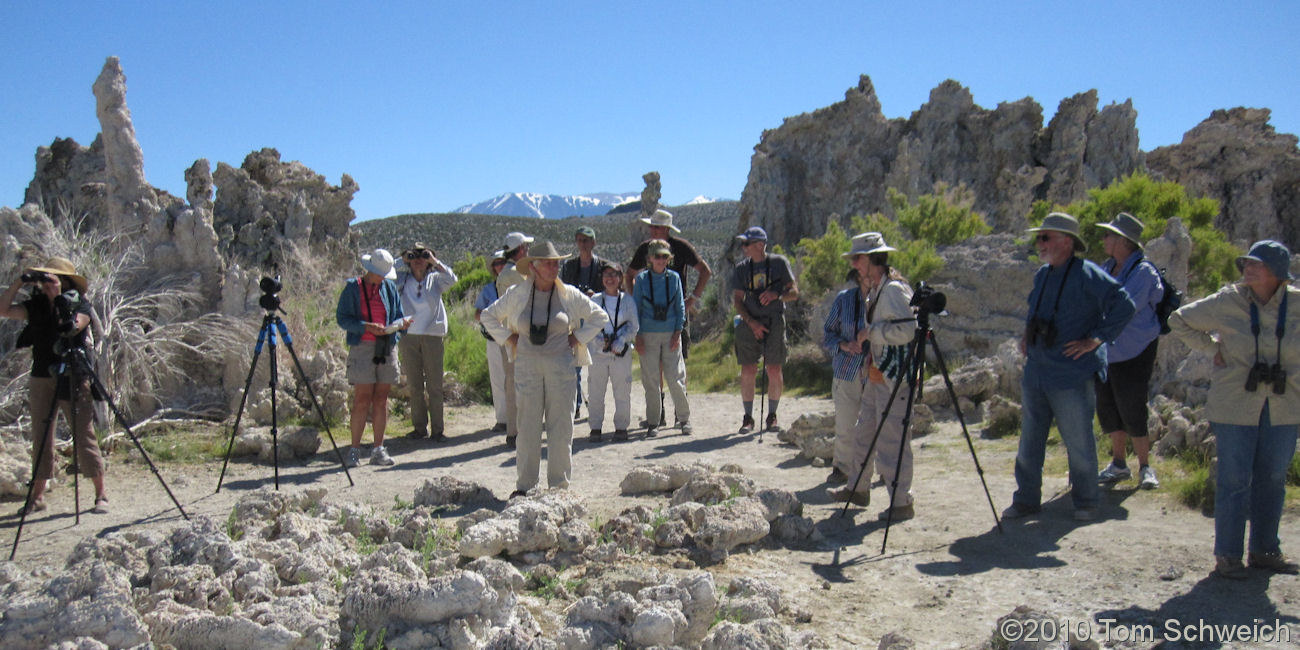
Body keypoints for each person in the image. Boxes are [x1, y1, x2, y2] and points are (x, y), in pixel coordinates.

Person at [1169, 239, 1300, 578]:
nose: (1247, 269)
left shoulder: (1297, 304)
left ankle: (1265, 551)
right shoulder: (1228, 300)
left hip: (1285, 406)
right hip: (1235, 406)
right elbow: (1178, 320)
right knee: (1234, 479)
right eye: (1247, 263)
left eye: (1257, 264)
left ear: (1277, 273)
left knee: (1272, 478)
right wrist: (1211, 347)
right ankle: (1228, 557)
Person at [1003, 212, 1135, 522]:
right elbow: (1034, 312)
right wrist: (1026, 337)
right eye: (1039, 238)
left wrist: (1097, 339)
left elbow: (1124, 305)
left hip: (1071, 374)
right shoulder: (1042, 274)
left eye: (1045, 237)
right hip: (1037, 370)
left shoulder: (1088, 274)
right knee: (1029, 441)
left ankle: (1087, 501)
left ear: (1067, 241)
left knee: (1078, 440)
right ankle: (1025, 500)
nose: (1040, 243)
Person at [481, 241, 608, 496]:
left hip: (561, 366)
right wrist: (508, 338)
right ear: (535, 267)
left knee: (561, 426)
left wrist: (577, 338)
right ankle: (526, 486)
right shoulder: (518, 294)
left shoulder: (568, 294)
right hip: (526, 365)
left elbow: (599, 316)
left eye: (557, 263)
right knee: (527, 425)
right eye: (549, 263)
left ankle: (559, 487)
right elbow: (487, 316)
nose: (555, 267)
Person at [1, 257, 107, 515]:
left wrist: (58, 297)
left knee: (83, 434)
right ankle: (37, 496)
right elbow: (4, 310)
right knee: (41, 436)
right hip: (41, 375)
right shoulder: (35, 306)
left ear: (65, 281)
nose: (47, 283)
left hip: (72, 375)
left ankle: (100, 494)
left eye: (53, 278)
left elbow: (75, 327)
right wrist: (19, 282)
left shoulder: (78, 303)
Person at [822, 233, 915, 518]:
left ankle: (901, 502)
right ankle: (858, 489)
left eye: (857, 258)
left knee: (891, 439)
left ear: (871, 259)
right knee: (864, 433)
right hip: (877, 374)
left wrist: (873, 334)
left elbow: (908, 330)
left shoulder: (894, 291)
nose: (854, 264)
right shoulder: (878, 289)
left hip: (894, 377)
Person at [1092, 214, 1163, 489]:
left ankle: (1145, 466)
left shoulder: (1143, 272)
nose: (1104, 240)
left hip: (1135, 350)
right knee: (1108, 405)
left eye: (1108, 235)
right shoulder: (1107, 267)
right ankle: (1119, 463)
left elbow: (1123, 309)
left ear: (1123, 241)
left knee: (1132, 404)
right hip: (1107, 350)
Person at [336, 248, 409, 467]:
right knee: (361, 399)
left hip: (387, 345)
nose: (382, 279)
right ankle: (354, 451)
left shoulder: (389, 287)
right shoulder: (352, 288)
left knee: (381, 398)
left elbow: (397, 314)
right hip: (363, 347)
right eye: (380, 275)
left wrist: (401, 325)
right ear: (370, 271)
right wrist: (365, 326)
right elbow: (342, 318)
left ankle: (378, 449)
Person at [731, 226, 799, 432]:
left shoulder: (779, 263)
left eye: (746, 244)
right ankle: (748, 417)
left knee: (774, 368)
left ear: (760, 245)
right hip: (749, 322)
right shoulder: (741, 268)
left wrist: (776, 295)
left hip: (775, 321)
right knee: (748, 368)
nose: (743, 248)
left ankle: (772, 416)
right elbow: (737, 300)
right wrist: (751, 323)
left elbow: (794, 292)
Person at [627, 209, 712, 359]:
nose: (652, 230)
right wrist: (636, 302)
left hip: (676, 310)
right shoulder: (645, 248)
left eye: (656, 227)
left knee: (678, 356)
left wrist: (692, 299)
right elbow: (629, 275)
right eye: (651, 226)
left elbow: (705, 271)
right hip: (650, 313)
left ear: (667, 229)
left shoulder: (681, 247)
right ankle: (660, 384)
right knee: (655, 359)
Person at [395, 242, 457, 441]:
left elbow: (453, 279)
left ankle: (438, 430)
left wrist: (434, 260)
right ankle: (419, 427)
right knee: (414, 385)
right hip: (409, 335)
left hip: (432, 335)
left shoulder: (436, 280)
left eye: (423, 256)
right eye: (414, 257)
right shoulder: (402, 279)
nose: (419, 260)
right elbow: (386, 271)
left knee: (435, 385)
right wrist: (402, 259)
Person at [633, 239, 690, 436]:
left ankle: (683, 419)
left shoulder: (674, 278)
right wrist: (637, 336)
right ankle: (653, 422)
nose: (660, 260)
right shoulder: (641, 280)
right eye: (657, 256)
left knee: (675, 377)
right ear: (649, 258)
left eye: (664, 256)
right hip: (647, 334)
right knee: (651, 380)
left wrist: (677, 333)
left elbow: (680, 308)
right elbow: (636, 308)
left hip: (670, 334)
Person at [586, 261, 639, 442]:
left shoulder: (628, 301)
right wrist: (597, 340)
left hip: (620, 354)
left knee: (622, 390)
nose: (610, 278)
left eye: (614, 275)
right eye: (606, 275)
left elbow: (634, 326)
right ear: (601, 278)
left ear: (620, 278)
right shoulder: (594, 301)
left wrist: (622, 339)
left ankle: (622, 427)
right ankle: (595, 428)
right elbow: (586, 324)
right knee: (595, 391)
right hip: (598, 354)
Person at [495, 231, 533, 448]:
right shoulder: (516, 274)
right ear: (520, 250)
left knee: (512, 381)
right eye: (525, 248)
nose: (527, 251)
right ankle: (518, 431)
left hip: (509, 333)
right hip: (518, 334)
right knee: (520, 382)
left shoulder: (505, 274)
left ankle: (514, 430)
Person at [561, 226, 602, 420]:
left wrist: (596, 296)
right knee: (573, 365)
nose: (583, 244)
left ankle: (595, 408)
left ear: (594, 242)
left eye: (586, 240)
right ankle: (575, 404)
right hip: (574, 321)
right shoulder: (568, 267)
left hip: (595, 323)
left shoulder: (604, 267)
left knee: (597, 368)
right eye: (579, 240)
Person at [474, 250, 510, 433]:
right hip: (495, 338)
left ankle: (518, 418)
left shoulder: (517, 285)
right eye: (496, 264)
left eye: (503, 262)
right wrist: (492, 317)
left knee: (517, 378)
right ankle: (502, 419)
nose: (500, 266)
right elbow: (477, 313)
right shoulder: (488, 289)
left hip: (514, 337)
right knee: (497, 378)